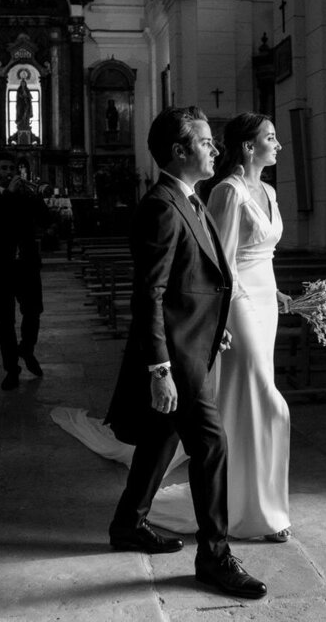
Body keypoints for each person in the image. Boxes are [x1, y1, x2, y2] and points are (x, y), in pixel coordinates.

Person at [103, 106, 267, 600]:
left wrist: (215, 328)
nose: (216, 149)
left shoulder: (190, 199)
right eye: (205, 141)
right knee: (211, 446)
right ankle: (213, 558)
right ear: (179, 151)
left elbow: (194, 283)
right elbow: (149, 295)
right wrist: (160, 369)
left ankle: (128, 523)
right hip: (176, 359)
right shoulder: (161, 206)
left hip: (195, 347)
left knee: (160, 437)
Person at [203, 112, 293, 542]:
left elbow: (263, 255)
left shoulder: (270, 191)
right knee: (269, 401)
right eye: (270, 138)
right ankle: (253, 510)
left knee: (246, 401)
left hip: (265, 299)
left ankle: (256, 505)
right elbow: (221, 262)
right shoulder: (227, 192)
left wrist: (274, 293)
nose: (277, 145)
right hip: (237, 302)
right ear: (247, 146)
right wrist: (228, 312)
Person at [0, 154, 48, 390]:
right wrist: (10, 195)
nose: (9, 172)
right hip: (0, 268)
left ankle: (26, 349)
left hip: (27, 264)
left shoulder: (26, 195)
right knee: (4, 320)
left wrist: (36, 197)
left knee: (34, 310)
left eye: (12, 168)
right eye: (4, 168)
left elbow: (45, 221)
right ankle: (11, 369)